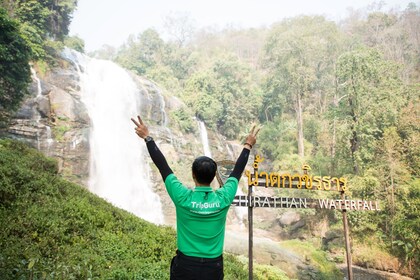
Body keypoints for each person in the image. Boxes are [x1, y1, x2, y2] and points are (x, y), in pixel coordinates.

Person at [131, 115, 259, 280]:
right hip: (213, 267)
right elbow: (237, 171)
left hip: (185, 266)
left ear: (193, 175)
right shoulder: (223, 198)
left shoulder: (182, 197)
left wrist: (147, 138)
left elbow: (163, 166)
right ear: (214, 176)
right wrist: (248, 145)